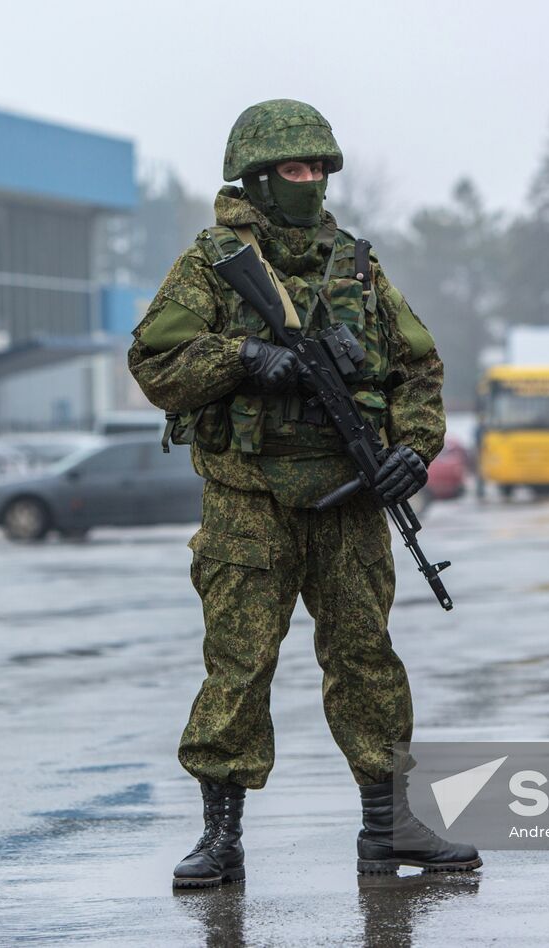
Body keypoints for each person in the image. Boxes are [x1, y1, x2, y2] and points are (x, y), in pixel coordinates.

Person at [129, 99, 480, 887]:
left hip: (350, 499)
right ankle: (220, 837)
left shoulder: (356, 264)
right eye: (295, 169)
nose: (312, 182)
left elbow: (417, 367)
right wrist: (244, 357)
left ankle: (390, 826)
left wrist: (413, 452)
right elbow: (156, 368)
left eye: (320, 168)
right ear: (257, 176)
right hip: (248, 502)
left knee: (367, 661)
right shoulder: (210, 262)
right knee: (239, 666)